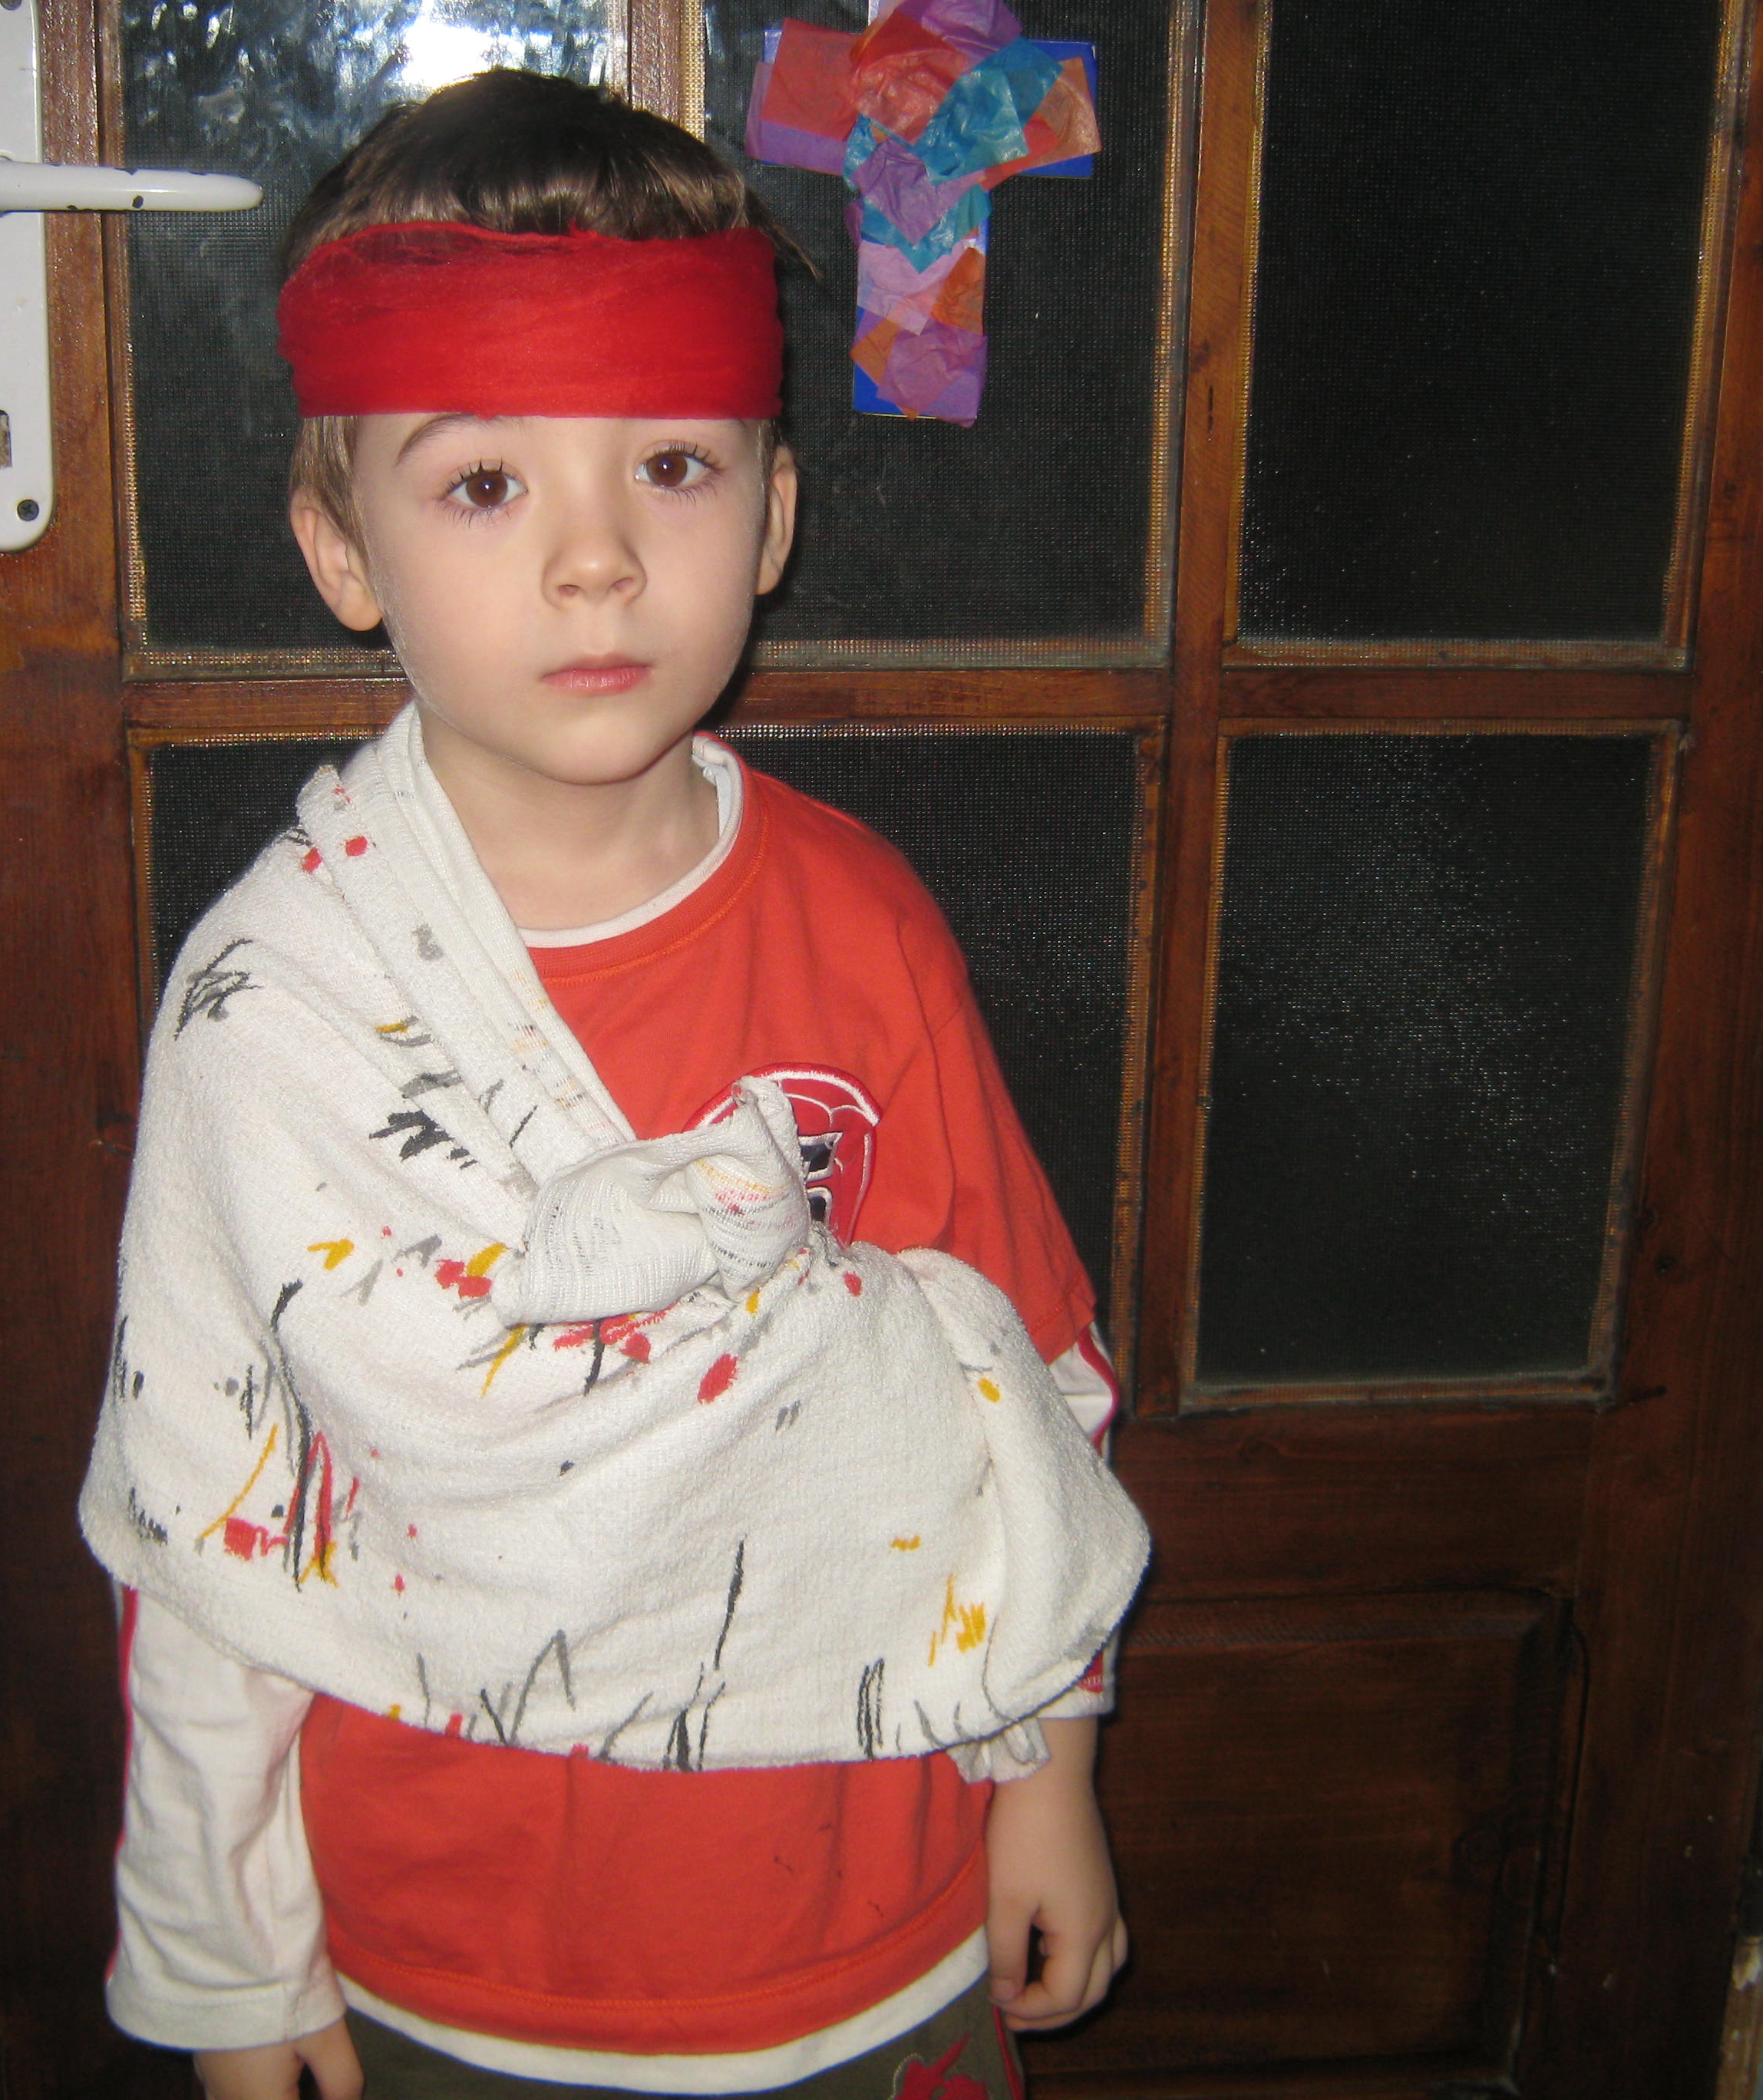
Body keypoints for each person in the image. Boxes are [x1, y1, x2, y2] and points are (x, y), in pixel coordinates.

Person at [77, 68, 1147, 2100]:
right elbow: (210, 1515)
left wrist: (1048, 1769)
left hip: (869, 1913)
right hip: (451, 1960)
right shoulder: (280, 1009)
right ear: (341, 546)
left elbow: (1025, 1392)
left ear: (775, 515)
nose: (596, 562)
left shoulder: (863, 927)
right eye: (485, 485)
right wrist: (230, 1968)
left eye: (670, 466)